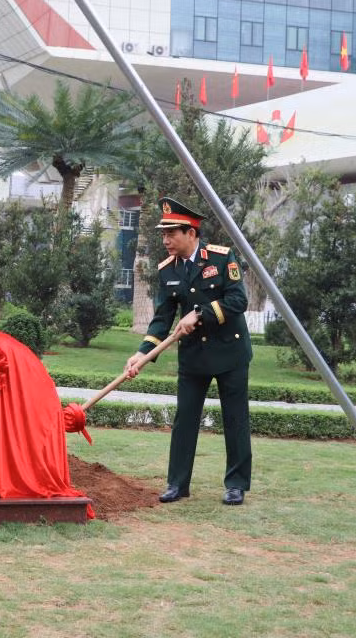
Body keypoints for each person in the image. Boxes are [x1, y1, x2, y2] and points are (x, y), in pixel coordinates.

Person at [124, 197, 253, 506]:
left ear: (191, 233)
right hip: (194, 356)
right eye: (164, 234)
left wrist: (199, 314)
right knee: (185, 420)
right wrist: (142, 353)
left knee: (235, 420)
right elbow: (162, 319)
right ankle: (177, 484)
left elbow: (238, 301)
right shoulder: (168, 270)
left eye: (172, 234)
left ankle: (236, 485)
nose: (165, 241)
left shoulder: (221, 259)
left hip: (230, 353)